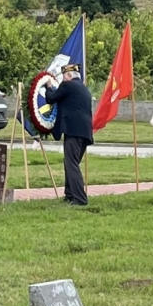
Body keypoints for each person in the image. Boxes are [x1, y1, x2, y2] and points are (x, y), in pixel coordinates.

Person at [44, 63, 93, 205]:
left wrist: (48, 86)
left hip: (73, 131)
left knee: (71, 164)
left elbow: (51, 98)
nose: (63, 80)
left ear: (69, 75)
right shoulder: (82, 88)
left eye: (64, 76)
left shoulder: (68, 86)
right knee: (71, 163)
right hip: (84, 132)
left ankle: (80, 199)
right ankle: (70, 194)